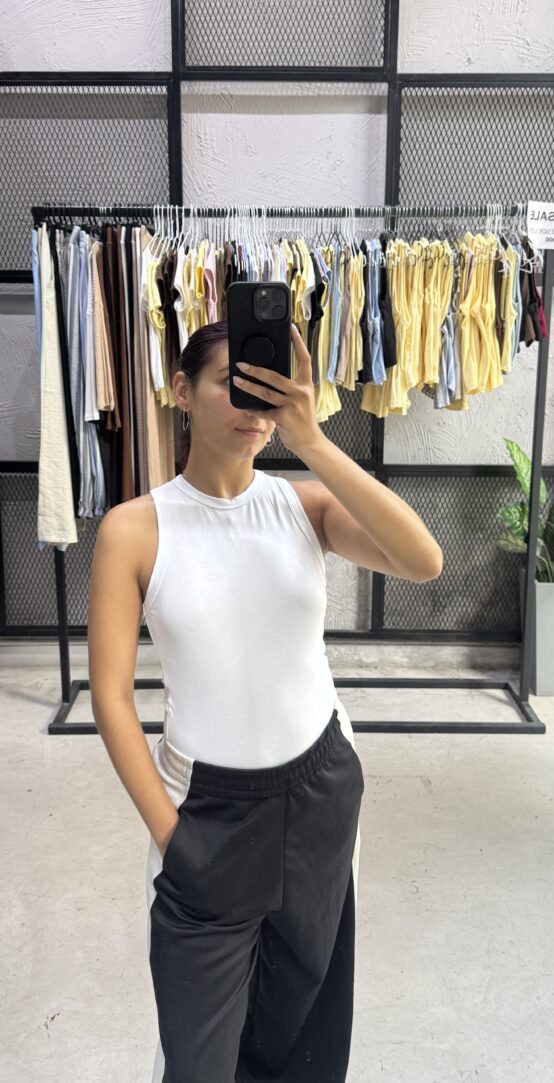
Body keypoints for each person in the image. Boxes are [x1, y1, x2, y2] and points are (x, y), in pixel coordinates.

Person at [88, 319, 443, 1082]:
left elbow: (423, 559)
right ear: (182, 391)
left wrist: (312, 440)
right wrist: (172, 837)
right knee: (198, 1053)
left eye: (267, 387)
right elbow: (111, 697)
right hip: (205, 807)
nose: (253, 406)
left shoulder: (303, 506)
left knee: (307, 1026)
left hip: (319, 790)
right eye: (232, 383)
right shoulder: (134, 529)